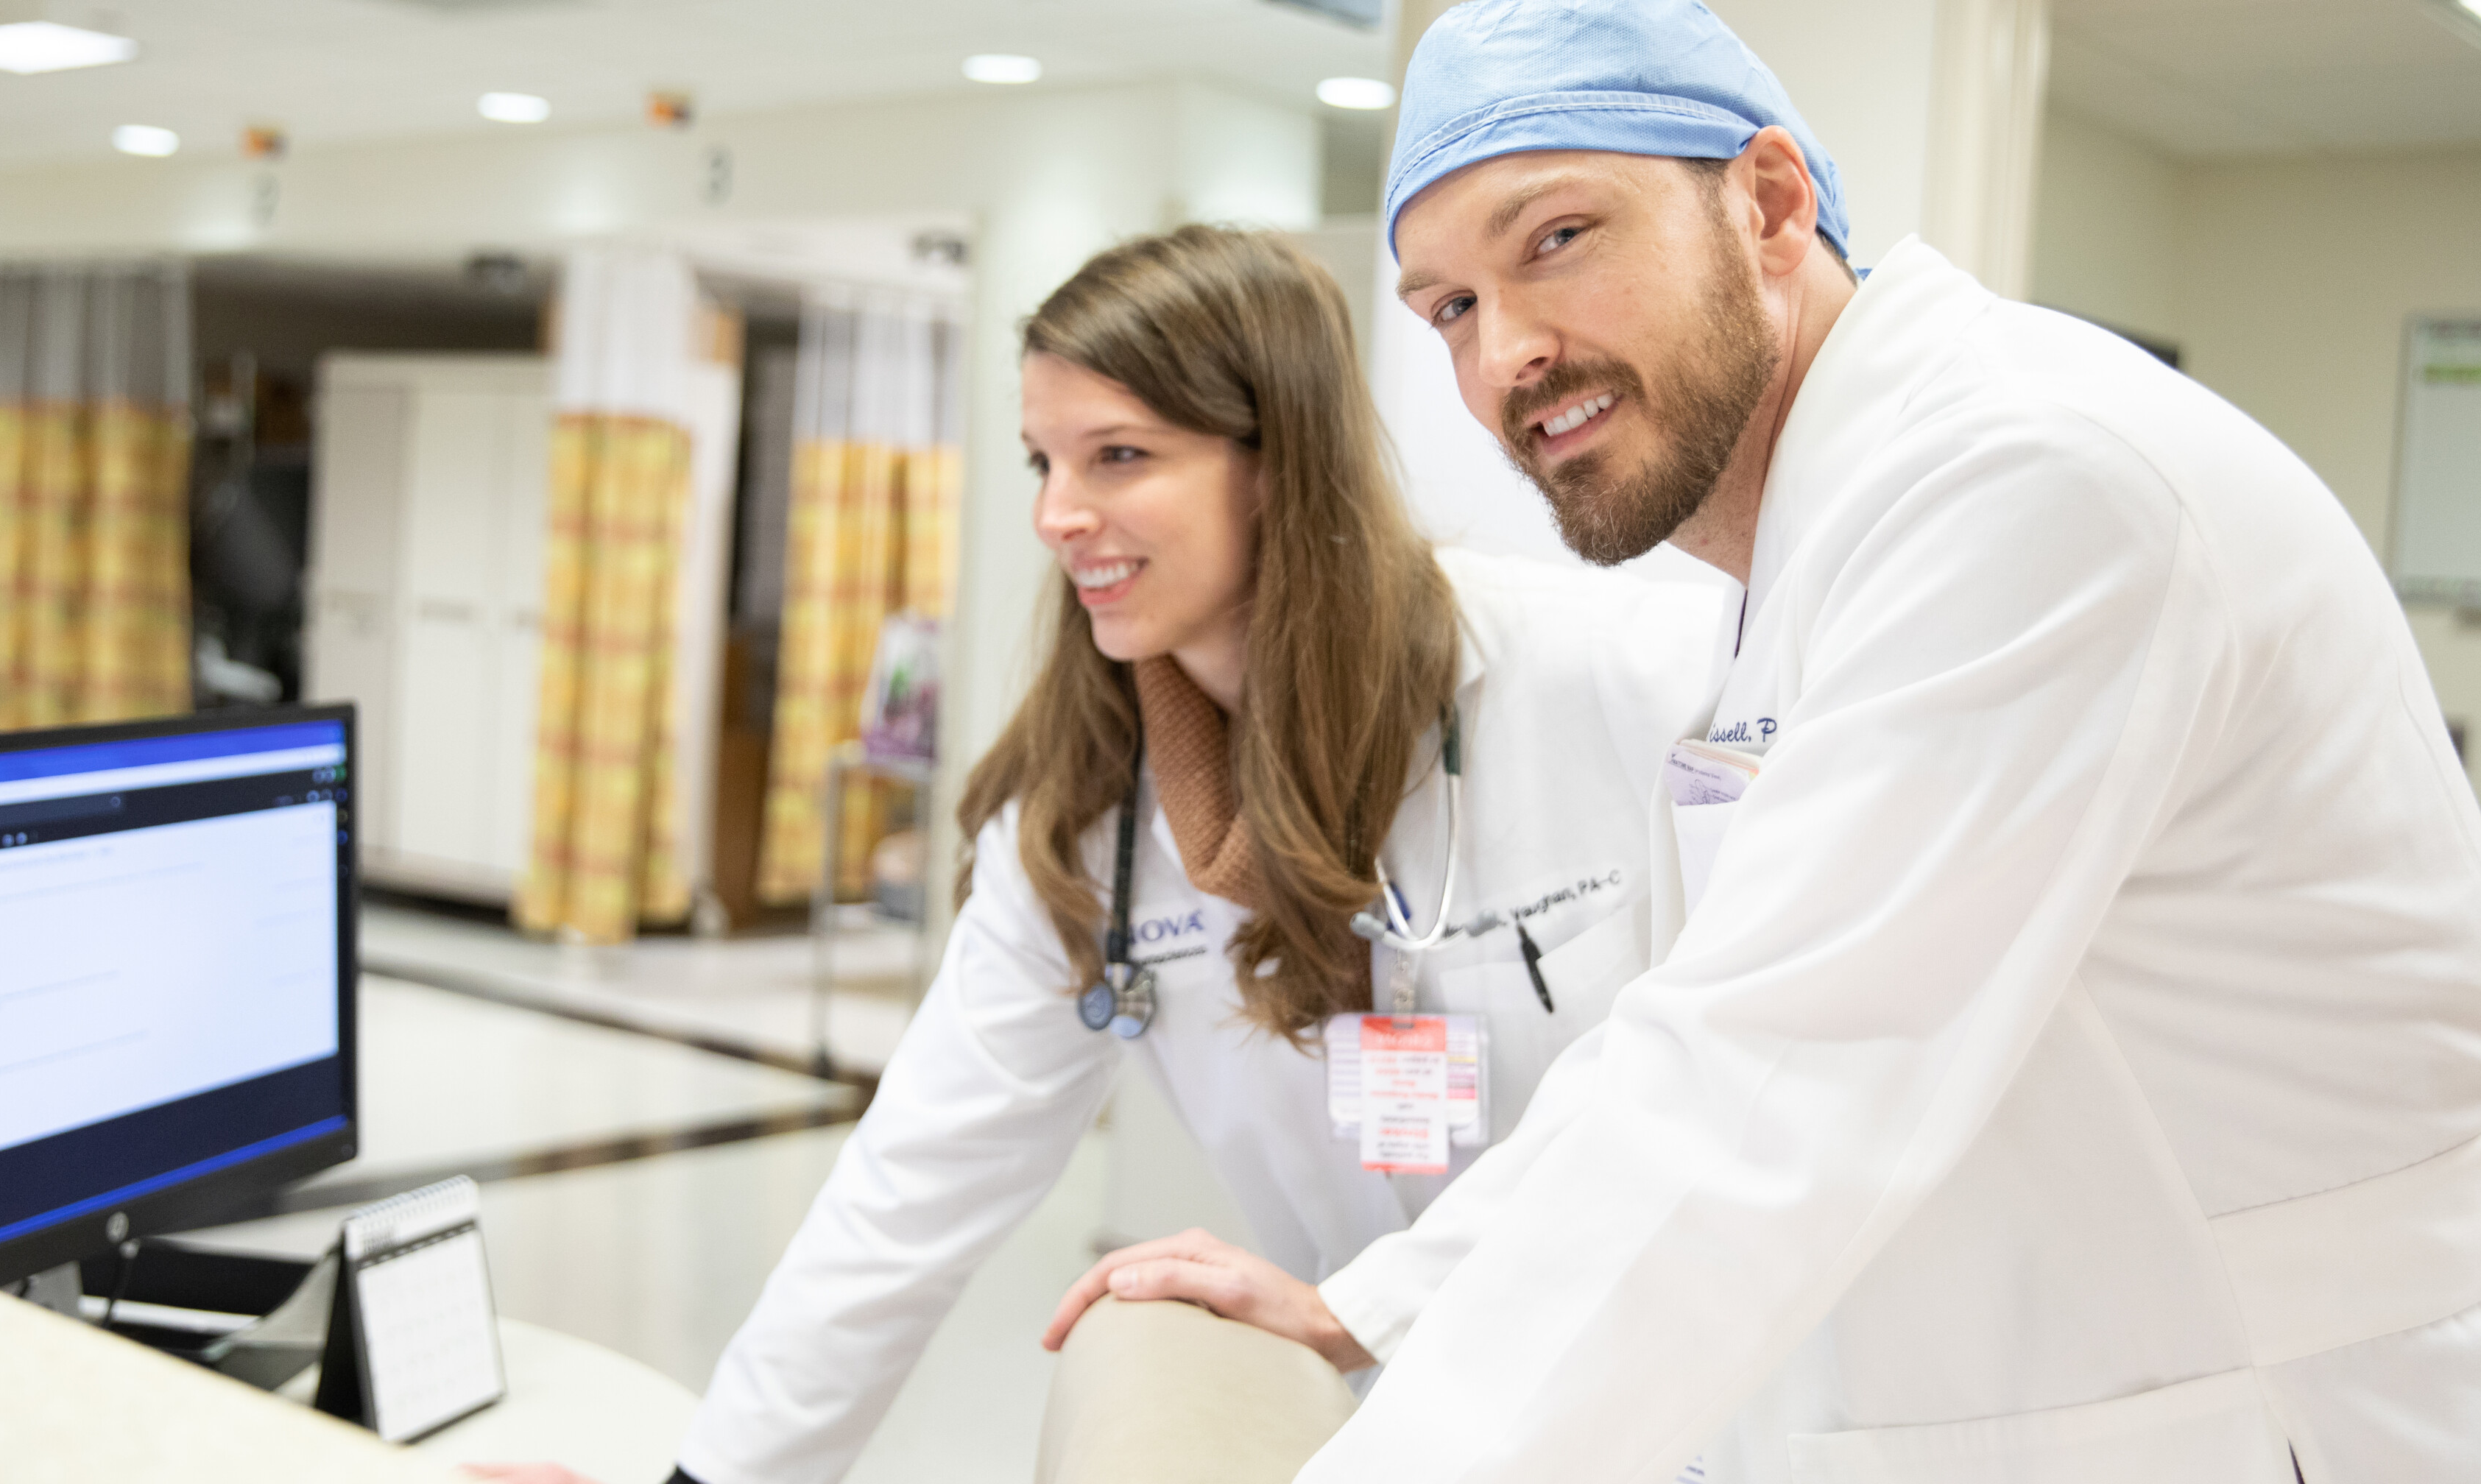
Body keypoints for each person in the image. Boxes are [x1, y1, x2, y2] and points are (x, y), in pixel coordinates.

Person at [1069, 4, 2481, 1482]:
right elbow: (1695, 1036)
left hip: (2330, 1412)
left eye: (1559, 238)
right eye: (1452, 307)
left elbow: (1765, 1085)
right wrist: (1379, 1303)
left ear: (1770, 204)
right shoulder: (1803, 548)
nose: (1504, 356)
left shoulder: (2028, 482)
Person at [649, 225, 1726, 1484]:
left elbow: (1713, 1087)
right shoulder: (1083, 822)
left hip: (1691, 1409)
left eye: (1120, 456)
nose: (1058, 514)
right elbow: (908, 1194)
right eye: (1043, 459)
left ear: (1278, 462)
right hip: (1391, 1424)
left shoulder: (1618, 679)